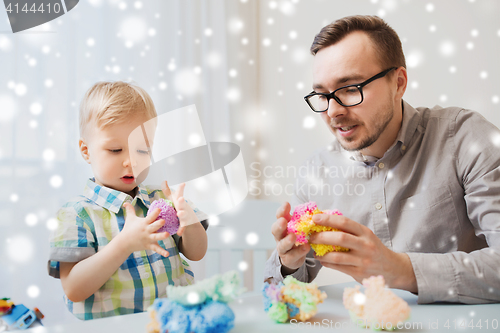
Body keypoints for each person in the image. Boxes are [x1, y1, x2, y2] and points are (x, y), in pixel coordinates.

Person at [264, 15, 500, 304]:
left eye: (351, 88)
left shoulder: (465, 139)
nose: (333, 112)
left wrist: (399, 269)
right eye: (322, 94)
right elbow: (277, 291)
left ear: (398, 83)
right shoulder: (317, 171)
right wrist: (289, 262)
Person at [47, 81, 209, 319]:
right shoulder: (75, 214)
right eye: (115, 150)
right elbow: (73, 289)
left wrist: (190, 222)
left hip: (173, 321)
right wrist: (123, 244)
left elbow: (196, 253)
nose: (131, 161)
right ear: (86, 150)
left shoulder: (160, 199)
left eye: (142, 150)